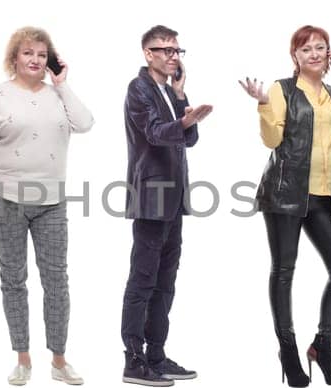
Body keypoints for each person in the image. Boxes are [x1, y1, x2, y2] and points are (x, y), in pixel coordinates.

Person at [0, 25, 95, 387]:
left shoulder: (58, 94)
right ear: (14, 58)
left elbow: (86, 123)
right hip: (6, 198)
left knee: (56, 281)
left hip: (51, 201)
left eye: (42, 55)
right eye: (28, 53)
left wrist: (62, 84)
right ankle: (23, 359)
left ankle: (59, 360)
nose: (36, 60)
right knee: (14, 280)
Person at [237, 24, 331, 388]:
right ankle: (288, 350)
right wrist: (263, 105)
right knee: (284, 270)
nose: (314, 53)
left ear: (330, 54)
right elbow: (272, 140)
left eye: (321, 48)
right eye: (306, 48)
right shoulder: (282, 90)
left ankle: (323, 345)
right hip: (284, 194)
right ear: (294, 56)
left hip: (324, 195)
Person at [118, 24, 213, 388]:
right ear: (149, 54)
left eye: (177, 51)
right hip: (150, 198)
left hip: (174, 200)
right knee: (142, 281)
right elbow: (156, 133)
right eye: (167, 50)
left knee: (166, 282)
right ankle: (134, 359)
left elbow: (188, 139)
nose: (174, 56)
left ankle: (156, 355)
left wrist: (180, 99)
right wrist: (183, 117)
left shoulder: (168, 90)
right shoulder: (138, 88)